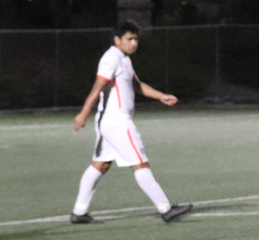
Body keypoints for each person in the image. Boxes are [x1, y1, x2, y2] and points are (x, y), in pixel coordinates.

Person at [69, 20, 192, 224]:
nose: (134, 43)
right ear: (117, 40)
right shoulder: (111, 58)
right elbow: (97, 87)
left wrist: (161, 96)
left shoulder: (123, 58)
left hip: (111, 122)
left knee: (101, 165)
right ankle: (166, 209)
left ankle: (79, 212)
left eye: (136, 39)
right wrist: (83, 114)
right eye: (130, 39)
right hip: (117, 121)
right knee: (140, 163)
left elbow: (137, 85)